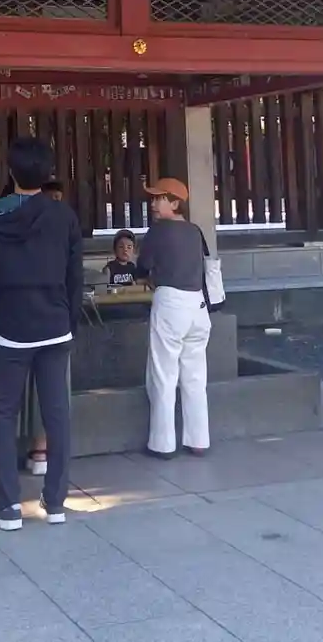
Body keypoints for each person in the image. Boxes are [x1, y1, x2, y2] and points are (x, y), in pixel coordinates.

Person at [0, 137, 83, 530]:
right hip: (56, 326)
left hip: (12, 328)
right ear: (48, 174)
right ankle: (56, 503)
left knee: (4, 413)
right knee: (57, 414)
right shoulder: (64, 216)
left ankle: (8, 506)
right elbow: (75, 277)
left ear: (10, 171)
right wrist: (70, 322)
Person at [137, 177, 211, 460]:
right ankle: (198, 440)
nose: (153, 204)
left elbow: (142, 267)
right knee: (195, 377)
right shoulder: (195, 231)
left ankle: (163, 443)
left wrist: (148, 276)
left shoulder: (158, 231)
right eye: (153, 199)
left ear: (175, 203)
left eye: (160, 199)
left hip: (171, 304)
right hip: (198, 307)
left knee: (163, 375)